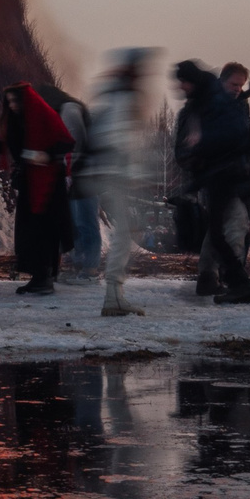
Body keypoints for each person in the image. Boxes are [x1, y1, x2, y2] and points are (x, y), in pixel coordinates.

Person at [173, 61, 250, 304]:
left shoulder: (225, 104)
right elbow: (222, 139)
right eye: (234, 84)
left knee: (220, 229)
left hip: (224, 175)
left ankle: (211, 276)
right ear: (222, 81)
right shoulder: (214, 104)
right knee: (233, 226)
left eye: (240, 85)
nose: (237, 89)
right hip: (226, 175)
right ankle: (235, 281)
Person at [77, 49, 153, 317]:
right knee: (123, 234)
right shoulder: (125, 98)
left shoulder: (110, 94)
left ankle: (114, 294)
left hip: (106, 172)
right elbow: (120, 138)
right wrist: (133, 172)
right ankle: (113, 294)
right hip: (116, 174)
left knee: (123, 233)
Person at [1, 84, 75, 296]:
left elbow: (65, 141)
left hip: (48, 183)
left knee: (43, 230)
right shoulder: (19, 120)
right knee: (33, 231)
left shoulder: (43, 115)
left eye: (15, 101)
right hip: (32, 183)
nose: (12, 105)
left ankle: (44, 276)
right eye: (9, 101)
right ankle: (40, 276)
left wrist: (46, 155)